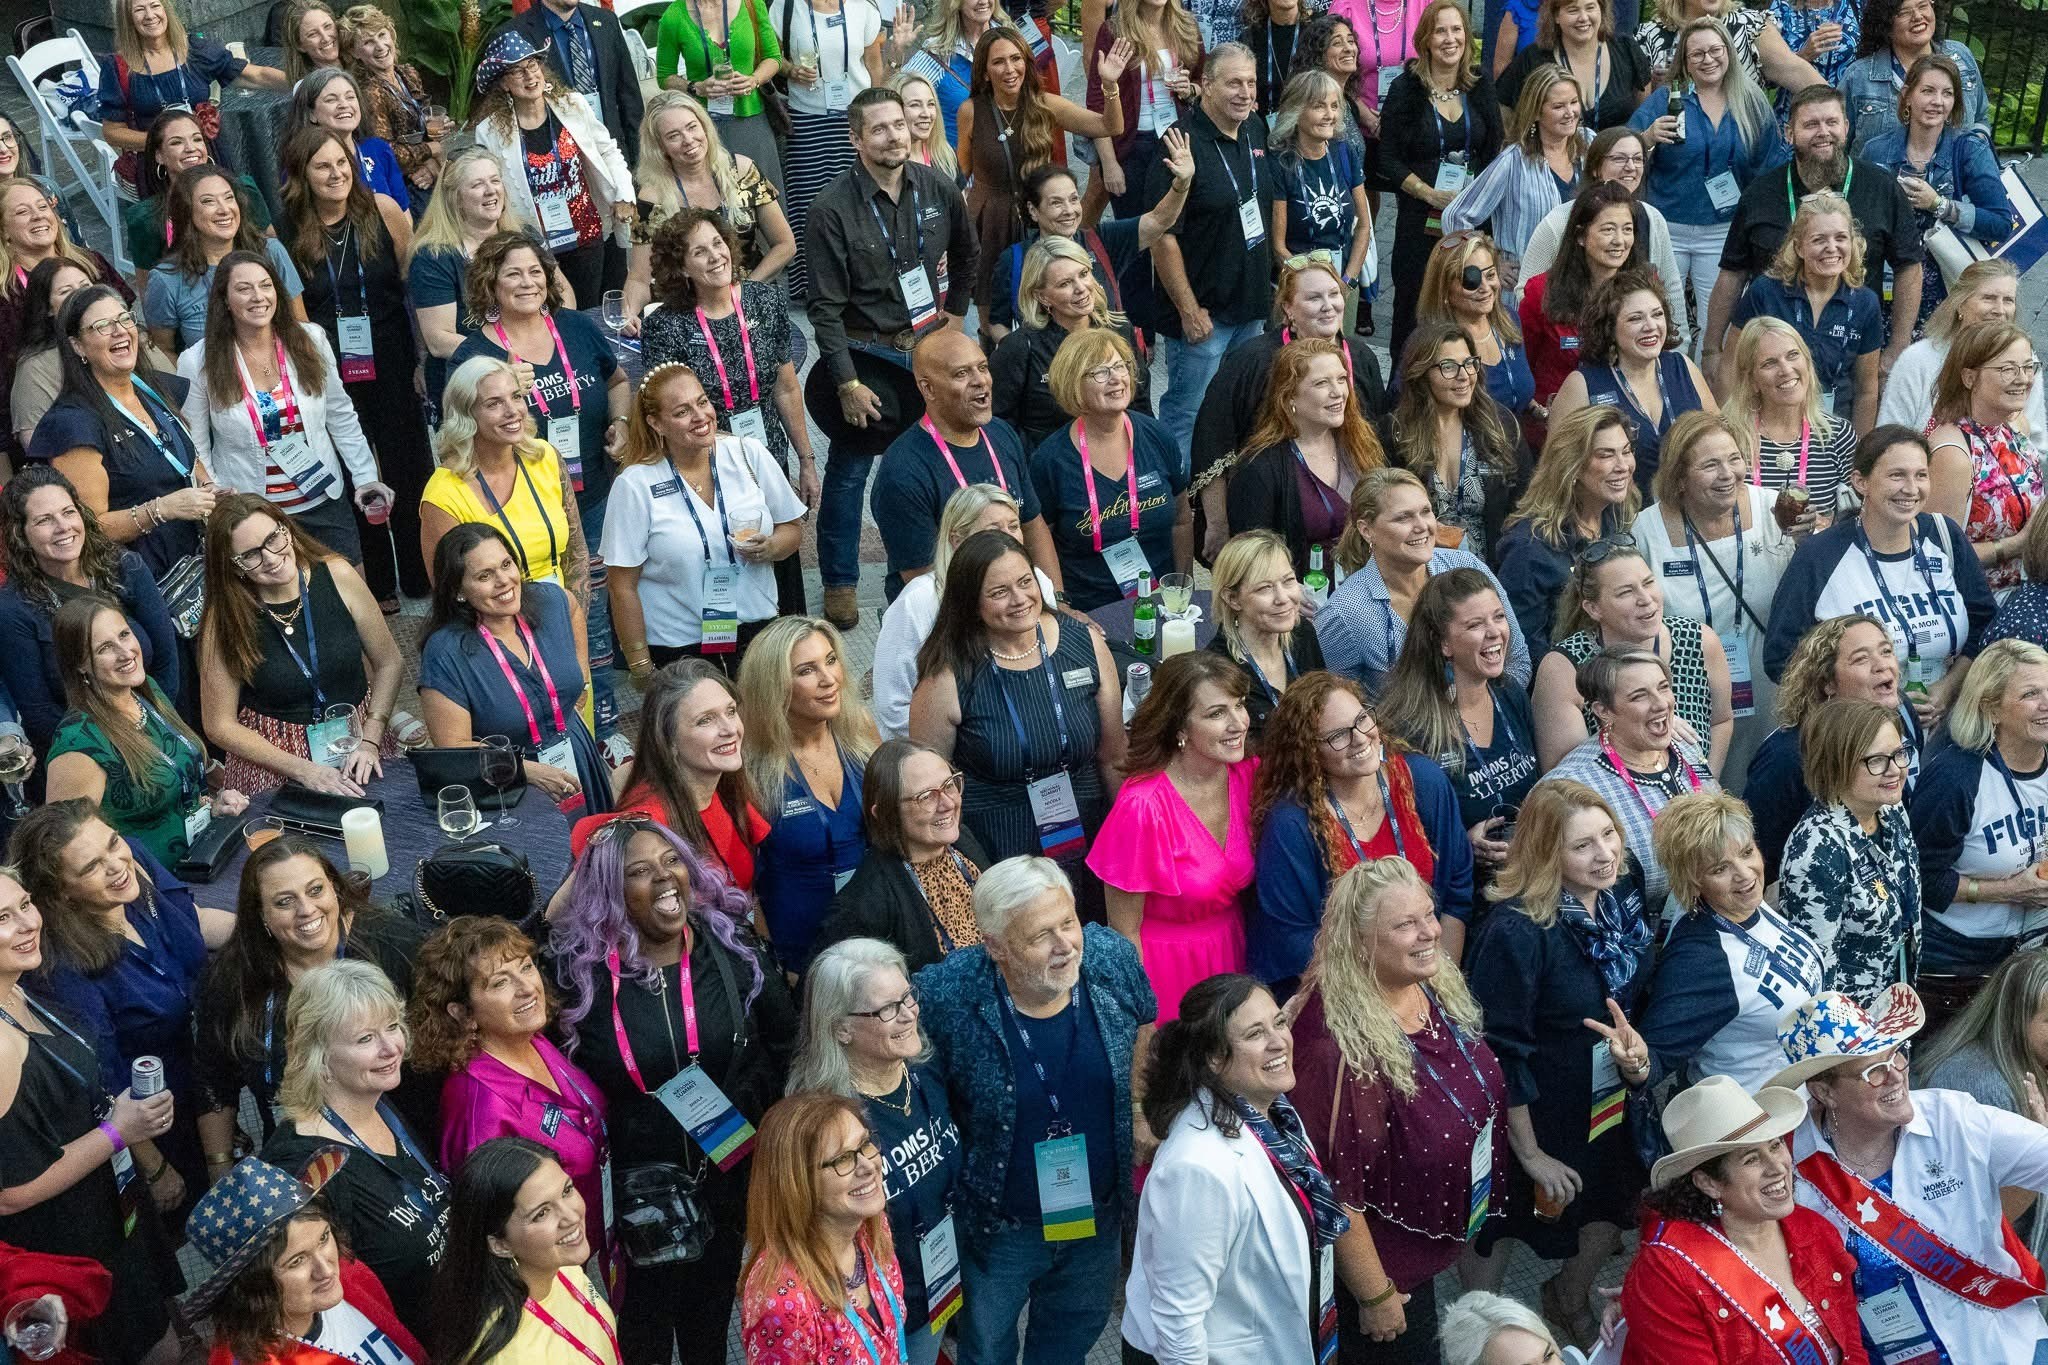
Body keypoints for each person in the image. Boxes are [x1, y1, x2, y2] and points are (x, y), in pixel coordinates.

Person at [546, 816, 796, 1365]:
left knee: (711, 1323)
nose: (665, 877)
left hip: (728, 1173)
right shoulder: (577, 974)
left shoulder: (730, 947)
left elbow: (784, 1043)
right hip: (640, 1196)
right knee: (644, 1334)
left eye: (672, 860)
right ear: (609, 892)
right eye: (639, 871)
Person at [914, 856, 1157, 1365]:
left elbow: (1144, 1021)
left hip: (1095, 1213)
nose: (1065, 944)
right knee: (987, 1348)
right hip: (1000, 1224)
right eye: (1041, 935)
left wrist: (1138, 1108)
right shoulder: (947, 995)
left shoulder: (1110, 958)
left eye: (1067, 922)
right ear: (996, 946)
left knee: (1071, 1336)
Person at [1280, 859, 1507, 1362]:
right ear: (1360, 943)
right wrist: (1374, 1295)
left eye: (1428, 914)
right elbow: (1333, 1189)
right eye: (1405, 925)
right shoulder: (1339, 1050)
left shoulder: (1424, 982)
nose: (1430, 932)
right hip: (1386, 1278)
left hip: (1426, 1240)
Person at [1462, 778, 1655, 1347]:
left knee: (1610, 1204)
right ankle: (1483, 1339)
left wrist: (1636, 1059)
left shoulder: (1617, 897)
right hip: (1528, 1114)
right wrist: (1530, 1154)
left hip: (1601, 1099)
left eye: (1609, 834)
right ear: (1548, 853)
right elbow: (1497, 1053)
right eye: (1583, 845)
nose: (1606, 853)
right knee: (1498, 1228)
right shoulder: (1516, 932)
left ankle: (1567, 1298)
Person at [1769, 984, 2048, 1365]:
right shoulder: (1786, 1163)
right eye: (1874, 1071)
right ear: (1824, 1092)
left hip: (2002, 1347)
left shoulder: (1954, 1119)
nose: (1897, 1075)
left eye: (1896, 1055)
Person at [803, 86, 977, 629]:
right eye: (878, 129)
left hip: (928, 347)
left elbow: (969, 256)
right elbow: (824, 309)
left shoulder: (938, 186)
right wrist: (846, 384)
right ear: (856, 139)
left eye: (898, 124)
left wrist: (954, 318)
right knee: (849, 470)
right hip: (867, 355)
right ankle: (839, 581)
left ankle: (941, 571)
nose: (893, 136)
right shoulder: (831, 209)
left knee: (938, 462)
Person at [16, 797, 233, 1227]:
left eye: (113, 843)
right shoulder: (65, 970)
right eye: (91, 867)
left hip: (209, 1070)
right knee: (188, 1219)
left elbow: (194, 920)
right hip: (157, 1114)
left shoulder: (137, 866)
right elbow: (102, 1080)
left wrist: (271, 929)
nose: (116, 865)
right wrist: (152, 1166)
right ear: (62, 892)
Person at [0, 857, 179, 1365]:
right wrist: (119, 1131)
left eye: (25, 905)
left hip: (107, 1206)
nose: (28, 923)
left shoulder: (15, 988)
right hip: (66, 1241)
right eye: (3, 919)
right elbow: (9, 1194)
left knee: (162, 1335)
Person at [1124, 973, 1355, 1365]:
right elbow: (1178, 1324)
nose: (1279, 1041)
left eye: (1279, 1022)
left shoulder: (1273, 1113)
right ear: (1214, 1058)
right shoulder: (1196, 1169)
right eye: (1255, 1034)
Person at [907, 530, 1121, 903]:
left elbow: (1114, 755)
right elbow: (928, 789)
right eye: (999, 592)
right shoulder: (948, 675)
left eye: (1025, 582)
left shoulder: (1084, 643)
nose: (1020, 599)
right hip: (998, 847)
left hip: (1089, 830)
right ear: (971, 602)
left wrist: (1130, 833)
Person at [192, 835, 422, 1171]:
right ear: (261, 915)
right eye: (284, 902)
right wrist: (220, 1169)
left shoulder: (393, 943)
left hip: (409, 1144)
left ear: (334, 888)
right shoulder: (234, 981)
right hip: (302, 1160)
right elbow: (213, 1079)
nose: (307, 910)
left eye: (315, 890)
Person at [787, 937, 962, 1365]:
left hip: (942, 1278)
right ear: (841, 1028)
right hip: (880, 1313)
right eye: (887, 1009)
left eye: (908, 996)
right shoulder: (828, 1124)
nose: (908, 1014)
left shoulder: (923, 1070)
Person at [407, 918, 611, 1281]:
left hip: (593, 1242)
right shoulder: (478, 1107)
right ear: (463, 1013)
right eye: (500, 982)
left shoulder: (532, 1039)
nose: (527, 988)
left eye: (526, 967)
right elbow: (490, 1233)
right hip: (551, 1275)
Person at [280, 126, 434, 604]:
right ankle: (377, 581)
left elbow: (412, 288)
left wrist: (421, 358)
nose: (336, 174)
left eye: (342, 163)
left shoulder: (383, 211)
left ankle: (419, 572)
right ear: (302, 175)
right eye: (322, 166)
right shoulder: (285, 232)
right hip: (328, 368)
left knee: (408, 466)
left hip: (392, 357)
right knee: (352, 469)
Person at [257, 959, 449, 1342]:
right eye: (365, 1039)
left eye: (392, 1026)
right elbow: (318, 1303)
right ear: (318, 1056)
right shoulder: (303, 1167)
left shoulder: (380, 1102)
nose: (391, 1048)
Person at [1615, 1075, 1865, 1364]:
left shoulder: (1813, 1229)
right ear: (1709, 1183)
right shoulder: (1667, 1274)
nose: (1777, 1167)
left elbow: (1852, 1348)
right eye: (1751, 1159)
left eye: (1775, 1145)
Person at [639, 208, 815, 617]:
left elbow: (786, 387)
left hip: (767, 456)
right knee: (721, 559)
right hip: (706, 464)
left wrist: (806, 461)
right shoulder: (666, 325)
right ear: (681, 267)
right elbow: (666, 408)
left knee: (779, 558)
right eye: (699, 252)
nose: (715, 256)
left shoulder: (765, 301)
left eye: (718, 244)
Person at [1763, 427, 1995, 727]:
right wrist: (1876, 702)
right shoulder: (1819, 556)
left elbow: (1985, 624)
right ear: (1861, 482)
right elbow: (1781, 659)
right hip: (1860, 735)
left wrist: (1949, 688)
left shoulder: (1944, 536)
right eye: (1897, 475)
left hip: (1947, 729)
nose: (1911, 489)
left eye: (1921, 475)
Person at [1250, 672, 1475, 979]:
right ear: (1309, 751)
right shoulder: (1292, 825)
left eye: (1362, 719)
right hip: (1346, 983)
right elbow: (1294, 940)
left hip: (1432, 962)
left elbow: (1457, 892)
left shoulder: (1423, 781)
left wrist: (1440, 982)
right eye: (1338, 736)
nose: (1360, 738)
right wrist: (1383, 991)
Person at [175, 249, 386, 565]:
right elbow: (195, 443)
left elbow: (341, 415)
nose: (258, 296)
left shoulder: (311, 339)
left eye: (266, 285)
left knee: (349, 590)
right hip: (252, 515)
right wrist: (216, 495)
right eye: (244, 288)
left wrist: (365, 476)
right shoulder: (197, 361)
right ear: (224, 300)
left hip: (323, 501)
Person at [449, 230, 629, 599]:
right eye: (513, 274)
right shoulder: (473, 357)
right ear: (490, 283)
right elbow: (458, 439)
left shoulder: (577, 326)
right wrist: (505, 390)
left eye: (535, 271)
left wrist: (621, 423)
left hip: (595, 494)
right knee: (543, 603)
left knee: (601, 597)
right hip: (524, 509)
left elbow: (617, 381)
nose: (528, 282)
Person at [1705, 84, 1922, 387]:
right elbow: (1732, 273)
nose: (1823, 132)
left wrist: (1897, 347)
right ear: (1789, 133)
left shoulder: (1881, 188)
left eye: (1832, 122)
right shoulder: (1759, 194)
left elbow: (1909, 267)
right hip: (1772, 364)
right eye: (1811, 124)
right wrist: (1711, 348)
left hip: (1851, 361)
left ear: (1846, 127)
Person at [602, 363, 803, 678]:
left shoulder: (748, 454)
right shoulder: (635, 484)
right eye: (682, 412)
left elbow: (792, 529)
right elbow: (621, 585)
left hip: (758, 634)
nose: (700, 416)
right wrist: (640, 666)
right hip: (679, 648)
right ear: (656, 423)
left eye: (702, 402)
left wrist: (771, 547)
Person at [1629, 412, 1796, 788]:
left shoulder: (1775, 511)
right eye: (1710, 465)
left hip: (1773, 690)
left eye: (1734, 459)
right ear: (1679, 477)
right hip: (1690, 700)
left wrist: (1807, 542)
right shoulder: (1645, 532)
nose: (1728, 474)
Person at [197, 494, 401, 797]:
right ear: (235, 567)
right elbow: (218, 724)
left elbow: (389, 663)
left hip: (359, 741)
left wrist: (371, 738)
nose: (271, 558)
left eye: (273, 539)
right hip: (274, 760)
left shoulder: (338, 574)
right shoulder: (225, 617)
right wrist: (303, 770)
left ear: (287, 530)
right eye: (251, 555)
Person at [1088, 653, 1256, 1020]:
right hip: (1166, 974)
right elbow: (1124, 932)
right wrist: (1143, 1016)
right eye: (1217, 713)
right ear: (1180, 728)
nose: (1238, 723)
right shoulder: (1143, 806)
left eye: (1239, 705)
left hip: (1236, 954)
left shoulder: (1248, 776)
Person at [1190, 254, 1388, 556]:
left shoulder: (1361, 358)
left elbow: (1377, 435)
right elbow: (1213, 440)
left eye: (1334, 294)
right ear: (1287, 309)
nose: (1328, 306)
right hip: (1271, 516)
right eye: (1314, 298)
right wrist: (1218, 525)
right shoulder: (1253, 362)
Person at [1640, 791, 1826, 1089]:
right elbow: (1654, 1059)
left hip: (1800, 1101)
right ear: (1693, 882)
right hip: (1752, 1112)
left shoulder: (1748, 903)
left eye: (1747, 852)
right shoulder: (1699, 959)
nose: (1744, 874)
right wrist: (1636, 1064)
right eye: (1719, 868)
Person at [43, 597, 248, 868]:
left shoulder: (146, 692)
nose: (126, 652)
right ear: (80, 665)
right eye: (105, 648)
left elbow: (176, 793)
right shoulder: (78, 743)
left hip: (205, 856)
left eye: (124, 635)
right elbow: (65, 848)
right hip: (155, 882)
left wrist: (213, 807)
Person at [26, 286, 214, 581]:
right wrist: (161, 509)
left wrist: (210, 490)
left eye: (125, 319)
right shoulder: (74, 423)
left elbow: (187, 460)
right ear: (78, 346)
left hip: (198, 561)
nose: (120, 331)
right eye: (102, 326)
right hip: (140, 579)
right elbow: (89, 527)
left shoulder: (150, 389)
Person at [420, 523, 606, 813]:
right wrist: (524, 769)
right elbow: (453, 747)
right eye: (485, 576)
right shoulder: (445, 652)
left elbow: (572, 608)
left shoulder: (548, 601)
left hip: (576, 757)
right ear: (458, 591)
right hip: (508, 786)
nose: (504, 581)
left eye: (506, 564)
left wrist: (580, 683)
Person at [1149, 45, 1278, 458]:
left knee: (1240, 406)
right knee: (1188, 412)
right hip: (1204, 315)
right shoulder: (1180, 143)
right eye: (1234, 82)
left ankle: (1226, 483)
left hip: (1250, 307)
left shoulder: (1255, 127)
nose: (1245, 92)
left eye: (1251, 82)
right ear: (1206, 84)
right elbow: (1161, 235)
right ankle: (1179, 493)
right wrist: (1188, 310)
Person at [0, 465, 179, 753]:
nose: (63, 527)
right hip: (84, 752)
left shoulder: (125, 567)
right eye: (45, 520)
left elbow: (167, 661)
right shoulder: (13, 608)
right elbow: (39, 711)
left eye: (68, 512)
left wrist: (156, 733)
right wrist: (114, 752)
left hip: (160, 733)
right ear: (21, 534)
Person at [957, 27, 1130, 323]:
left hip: (1039, 219)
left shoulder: (1045, 104)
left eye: (1016, 59)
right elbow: (961, 172)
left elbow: (1109, 127)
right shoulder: (970, 111)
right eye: (998, 62)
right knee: (991, 319)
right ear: (984, 72)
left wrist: (1110, 85)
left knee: (1047, 309)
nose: (1010, 69)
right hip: (989, 222)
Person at [1626, 17, 1786, 336]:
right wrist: (1647, 138)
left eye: (1715, 50)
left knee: (1717, 326)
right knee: (1665, 320)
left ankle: (1705, 371)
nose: (1708, 59)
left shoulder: (1752, 101)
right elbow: (1623, 149)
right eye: (1697, 54)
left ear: (1728, 52)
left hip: (1723, 229)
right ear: (1685, 62)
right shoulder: (1668, 99)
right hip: (1667, 227)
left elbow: (1768, 167)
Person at [1377, 568, 1541, 878]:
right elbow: (1402, 840)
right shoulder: (1408, 727)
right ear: (1443, 643)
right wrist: (1462, 846)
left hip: (1533, 869)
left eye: (1498, 617)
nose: (1494, 632)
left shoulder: (1510, 693)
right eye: (1475, 624)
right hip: (1464, 888)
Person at [736, 616, 878, 971]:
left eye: (831, 660)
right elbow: (744, 885)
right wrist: (772, 962)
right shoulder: (749, 765)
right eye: (806, 670)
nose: (828, 679)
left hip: (874, 932)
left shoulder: (859, 728)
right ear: (773, 686)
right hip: (799, 950)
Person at [187, 1155, 427, 1365]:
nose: (326, 1270)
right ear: (250, 1286)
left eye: (324, 1238)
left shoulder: (350, 1273)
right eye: (296, 1261)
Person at [874, 329, 1055, 603]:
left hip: (1014, 599)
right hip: (951, 613)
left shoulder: (1002, 434)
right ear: (928, 388)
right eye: (962, 374)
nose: (980, 381)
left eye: (983, 367)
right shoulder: (902, 471)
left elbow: (1032, 525)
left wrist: (1056, 601)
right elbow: (927, 583)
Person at [1905, 640, 2048, 984]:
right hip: (1958, 955)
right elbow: (1919, 879)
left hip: (2034, 945)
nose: (2047, 703)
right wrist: (2009, 890)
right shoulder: (1954, 778)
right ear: (1991, 708)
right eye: (2031, 694)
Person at [1538, 646, 1723, 909]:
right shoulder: (1571, 786)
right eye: (1639, 696)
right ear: (1604, 711)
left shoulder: (1685, 745)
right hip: (1639, 929)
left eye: (1663, 688)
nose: (1661, 704)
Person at [1318, 468, 1528, 696]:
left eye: (1426, 512)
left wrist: (1482, 708)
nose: (1422, 526)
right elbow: (1340, 704)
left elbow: (1517, 659)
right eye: (1403, 518)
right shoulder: (1344, 613)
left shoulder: (1467, 566)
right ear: (1367, 530)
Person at [1532, 540, 1733, 777]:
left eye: (1648, 583)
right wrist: (1641, 730)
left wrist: (1705, 782)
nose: (1646, 598)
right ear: (1594, 608)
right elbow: (1565, 777)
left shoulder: (1699, 640)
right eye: (1626, 592)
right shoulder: (1564, 667)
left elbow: (1721, 721)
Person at [737, 1092, 909, 1364]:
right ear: (798, 1184)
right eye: (842, 1159)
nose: (868, 1166)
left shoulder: (873, 1227)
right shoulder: (782, 1305)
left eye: (865, 1144)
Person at [565, 661, 771, 889]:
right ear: (668, 740)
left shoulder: (725, 787)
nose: (730, 729)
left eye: (731, 711)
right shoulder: (648, 829)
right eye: (705, 720)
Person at [466, 32, 635, 307]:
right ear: (504, 83)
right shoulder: (490, 131)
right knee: (550, 315)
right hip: (534, 247)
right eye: (517, 71)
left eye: (532, 65)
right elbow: (492, 186)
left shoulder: (572, 105)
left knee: (589, 311)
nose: (529, 75)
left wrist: (623, 194)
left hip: (586, 234)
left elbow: (608, 151)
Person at [871, 484, 1051, 740]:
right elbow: (893, 704)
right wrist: (962, 742)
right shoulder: (918, 601)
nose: (1007, 538)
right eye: (993, 529)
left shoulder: (1037, 583)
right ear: (957, 540)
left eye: (1013, 526)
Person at [1020, 327, 1182, 607]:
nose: (1116, 378)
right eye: (1100, 372)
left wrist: (1180, 587)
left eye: (1120, 366)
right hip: (1090, 609)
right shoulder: (1050, 460)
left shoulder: (1158, 437)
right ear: (1073, 383)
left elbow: (1182, 519)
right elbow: (1038, 539)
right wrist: (1060, 605)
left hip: (1160, 601)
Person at [421, 355, 590, 624]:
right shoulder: (443, 495)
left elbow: (576, 551)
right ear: (466, 415)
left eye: (516, 396)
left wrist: (574, 618)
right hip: (494, 631)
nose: (513, 411)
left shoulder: (545, 456)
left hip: (562, 615)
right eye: (494, 403)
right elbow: (449, 596)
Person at [1381, 1, 1506, 361]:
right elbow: (1388, 158)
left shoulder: (1479, 85)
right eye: (1440, 31)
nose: (1450, 39)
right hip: (1420, 220)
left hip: (1471, 220)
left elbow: (1493, 148)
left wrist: (1476, 194)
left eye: (1457, 30)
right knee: (1413, 310)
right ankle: (1403, 386)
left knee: (1468, 306)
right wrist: (1428, 193)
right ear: (1425, 39)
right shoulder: (1406, 88)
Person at [1751, 614, 1919, 882]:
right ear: (1828, 682)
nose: (1882, 665)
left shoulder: (1903, 715)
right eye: (1861, 659)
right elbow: (1757, 855)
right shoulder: (1785, 756)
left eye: (1886, 651)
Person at [1777, 698, 1919, 1006]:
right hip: (1849, 1024)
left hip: (1895, 1004)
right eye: (1876, 760)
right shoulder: (1816, 850)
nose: (1895, 770)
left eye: (1899, 754)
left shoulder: (1891, 809)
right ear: (1836, 765)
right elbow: (1816, 977)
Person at [412, 149, 577, 407]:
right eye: (477, 185)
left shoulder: (525, 235)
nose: (490, 191)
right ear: (455, 198)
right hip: (471, 384)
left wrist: (547, 344)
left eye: (495, 180)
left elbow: (563, 294)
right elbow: (439, 339)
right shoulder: (433, 256)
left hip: (536, 364)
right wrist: (508, 355)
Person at [812, 741, 993, 973]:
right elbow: (823, 979)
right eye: (926, 797)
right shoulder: (867, 900)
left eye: (949, 785)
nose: (948, 804)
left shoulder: (962, 842)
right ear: (885, 813)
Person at [431, 1138, 616, 1365]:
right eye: (541, 1213)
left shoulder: (557, 1265)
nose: (572, 1216)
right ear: (501, 1245)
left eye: (567, 1190)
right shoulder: (511, 1358)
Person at [1863, 55, 2012, 332]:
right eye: (1928, 91)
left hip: (1948, 291)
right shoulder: (1876, 151)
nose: (1937, 102)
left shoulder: (1970, 150)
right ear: (1907, 96)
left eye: (1947, 93)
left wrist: (1939, 204)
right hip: (1884, 287)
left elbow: (2001, 224)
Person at [767, 0, 898, 304]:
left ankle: (864, 281)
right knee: (807, 203)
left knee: (861, 200)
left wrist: (877, 113)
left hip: (854, 117)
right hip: (806, 117)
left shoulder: (864, 7)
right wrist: (790, 69)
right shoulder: (786, 7)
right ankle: (811, 286)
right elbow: (773, 56)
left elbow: (873, 65)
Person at [1224, 338, 1385, 584]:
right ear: (1289, 396)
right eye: (1321, 383)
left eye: (1341, 379)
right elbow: (1252, 558)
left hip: (1369, 587)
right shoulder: (1259, 467)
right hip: (1303, 600)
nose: (1338, 392)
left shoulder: (1361, 443)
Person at [626, 92, 795, 325]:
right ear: (660, 147)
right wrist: (628, 314)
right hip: (689, 311)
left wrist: (744, 292)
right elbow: (639, 278)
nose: (688, 140)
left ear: (705, 127)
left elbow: (785, 245)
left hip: (750, 299)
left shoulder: (743, 171)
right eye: (674, 136)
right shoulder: (651, 198)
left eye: (692, 127)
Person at [0, 181, 136, 467]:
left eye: (43, 206)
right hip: (47, 416)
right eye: (23, 212)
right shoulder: (5, 294)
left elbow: (130, 329)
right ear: (4, 231)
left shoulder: (92, 264)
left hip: (122, 404)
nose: (38, 216)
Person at [986, 154, 1191, 341]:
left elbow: (1158, 221)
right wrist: (1021, 356)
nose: (1069, 210)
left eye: (1074, 199)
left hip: (1104, 362)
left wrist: (1181, 184)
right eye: (1056, 203)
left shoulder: (1102, 241)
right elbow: (997, 323)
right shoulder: (1014, 260)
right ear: (1033, 210)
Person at [1728, 189, 1884, 434]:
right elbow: (1731, 367)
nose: (1832, 248)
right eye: (1819, 240)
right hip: (1767, 430)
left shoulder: (1866, 303)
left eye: (1841, 238)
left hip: (1834, 433)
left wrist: (1859, 450)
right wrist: (1732, 433)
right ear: (1799, 247)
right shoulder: (1765, 292)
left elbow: (1866, 390)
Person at [1548, 269, 1716, 492]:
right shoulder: (1582, 385)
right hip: (1618, 511)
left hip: (1689, 505)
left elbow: (1719, 441)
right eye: (1636, 318)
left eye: (1657, 314)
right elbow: (1555, 473)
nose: (1651, 326)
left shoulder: (1683, 367)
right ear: (1609, 328)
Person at [1494, 403, 1640, 660]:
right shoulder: (1528, 547)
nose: (1623, 466)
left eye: (1626, 451)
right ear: (1573, 467)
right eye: (1606, 455)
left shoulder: (1617, 518)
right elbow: (1522, 652)